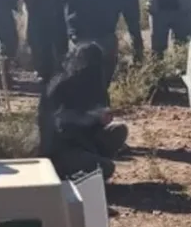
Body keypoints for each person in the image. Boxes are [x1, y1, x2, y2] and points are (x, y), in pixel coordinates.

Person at [37, 41, 128, 182]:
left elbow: (96, 120)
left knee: (119, 130)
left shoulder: (96, 85)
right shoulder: (60, 87)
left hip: (86, 142)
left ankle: (93, 162)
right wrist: (88, 118)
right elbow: (60, 126)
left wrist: (101, 120)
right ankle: (79, 171)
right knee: (107, 168)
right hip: (61, 150)